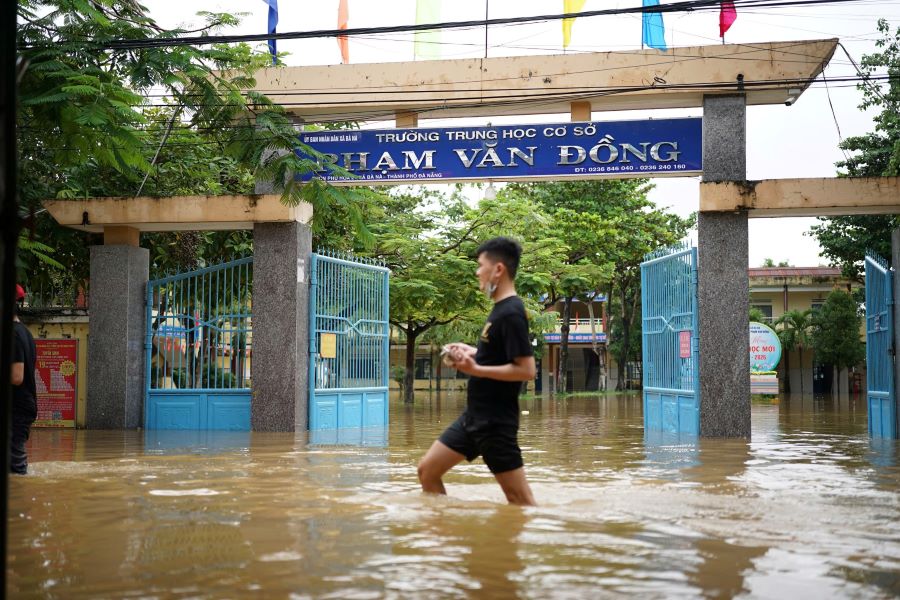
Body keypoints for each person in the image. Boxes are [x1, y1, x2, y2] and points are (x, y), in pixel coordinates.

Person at [417, 237, 537, 506]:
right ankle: (443, 529)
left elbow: (527, 369)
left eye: (481, 265)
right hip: (472, 418)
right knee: (427, 471)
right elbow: (498, 355)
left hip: (495, 424)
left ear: (498, 269)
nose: (477, 271)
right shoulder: (498, 310)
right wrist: (471, 351)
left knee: (520, 500)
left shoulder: (511, 312)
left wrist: (476, 368)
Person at [10, 284, 37, 475]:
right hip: (21, 406)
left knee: (15, 468)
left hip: (16, 409)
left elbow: (16, 376)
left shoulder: (13, 334)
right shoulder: (24, 332)